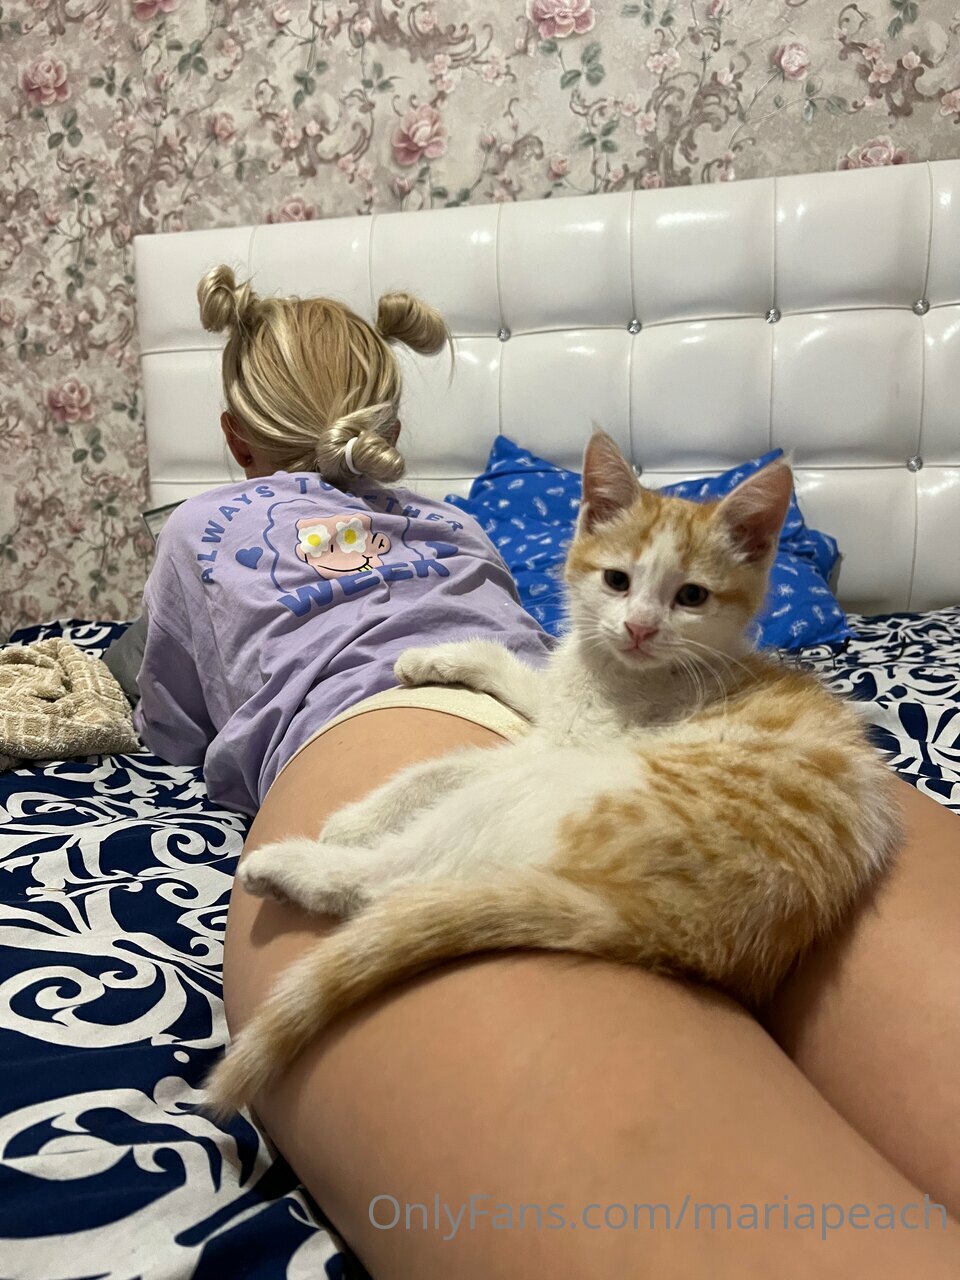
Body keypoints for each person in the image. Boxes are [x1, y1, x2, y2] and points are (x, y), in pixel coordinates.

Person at [136, 267, 960, 1278]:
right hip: (593, 706)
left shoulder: (201, 526)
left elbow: (172, 727)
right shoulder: (456, 524)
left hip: (425, 721)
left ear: (235, 439)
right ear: (391, 425)